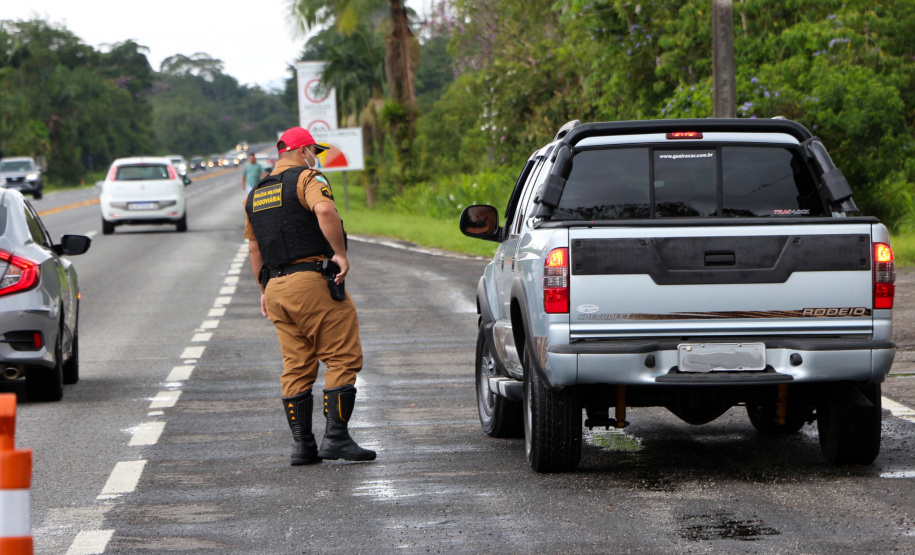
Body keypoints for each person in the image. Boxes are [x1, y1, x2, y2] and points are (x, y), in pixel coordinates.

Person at [244, 127, 375, 466]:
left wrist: (264, 289)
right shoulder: (307, 178)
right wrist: (340, 254)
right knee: (342, 357)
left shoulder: (255, 194)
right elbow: (326, 212)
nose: (315, 156)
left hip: (275, 289)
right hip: (310, 282)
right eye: (313, 151)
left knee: (297, 365)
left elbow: (254, 246)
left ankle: (303, 446)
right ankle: (336, 438)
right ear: (302, 151)